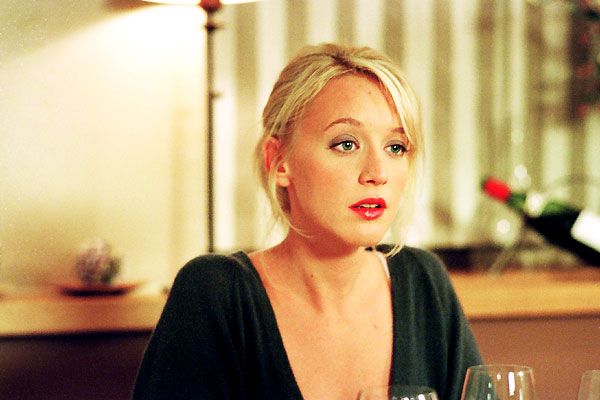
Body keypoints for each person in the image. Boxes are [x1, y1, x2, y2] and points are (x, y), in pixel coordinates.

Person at [132, 43, 482, 400]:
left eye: (396, 147)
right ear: (279, 161)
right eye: (346, 144)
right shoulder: (216, 294)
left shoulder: (424, 282)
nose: (377, 173)